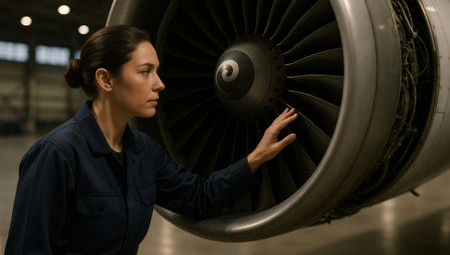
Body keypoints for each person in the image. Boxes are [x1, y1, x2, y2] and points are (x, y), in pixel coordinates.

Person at [5, 25, 298, 254]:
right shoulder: (56, 155)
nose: (160, 84)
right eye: (146, 72)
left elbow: (198, 198)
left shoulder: (144, 152)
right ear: (105, 80)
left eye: (156, 71)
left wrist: (255, 157)